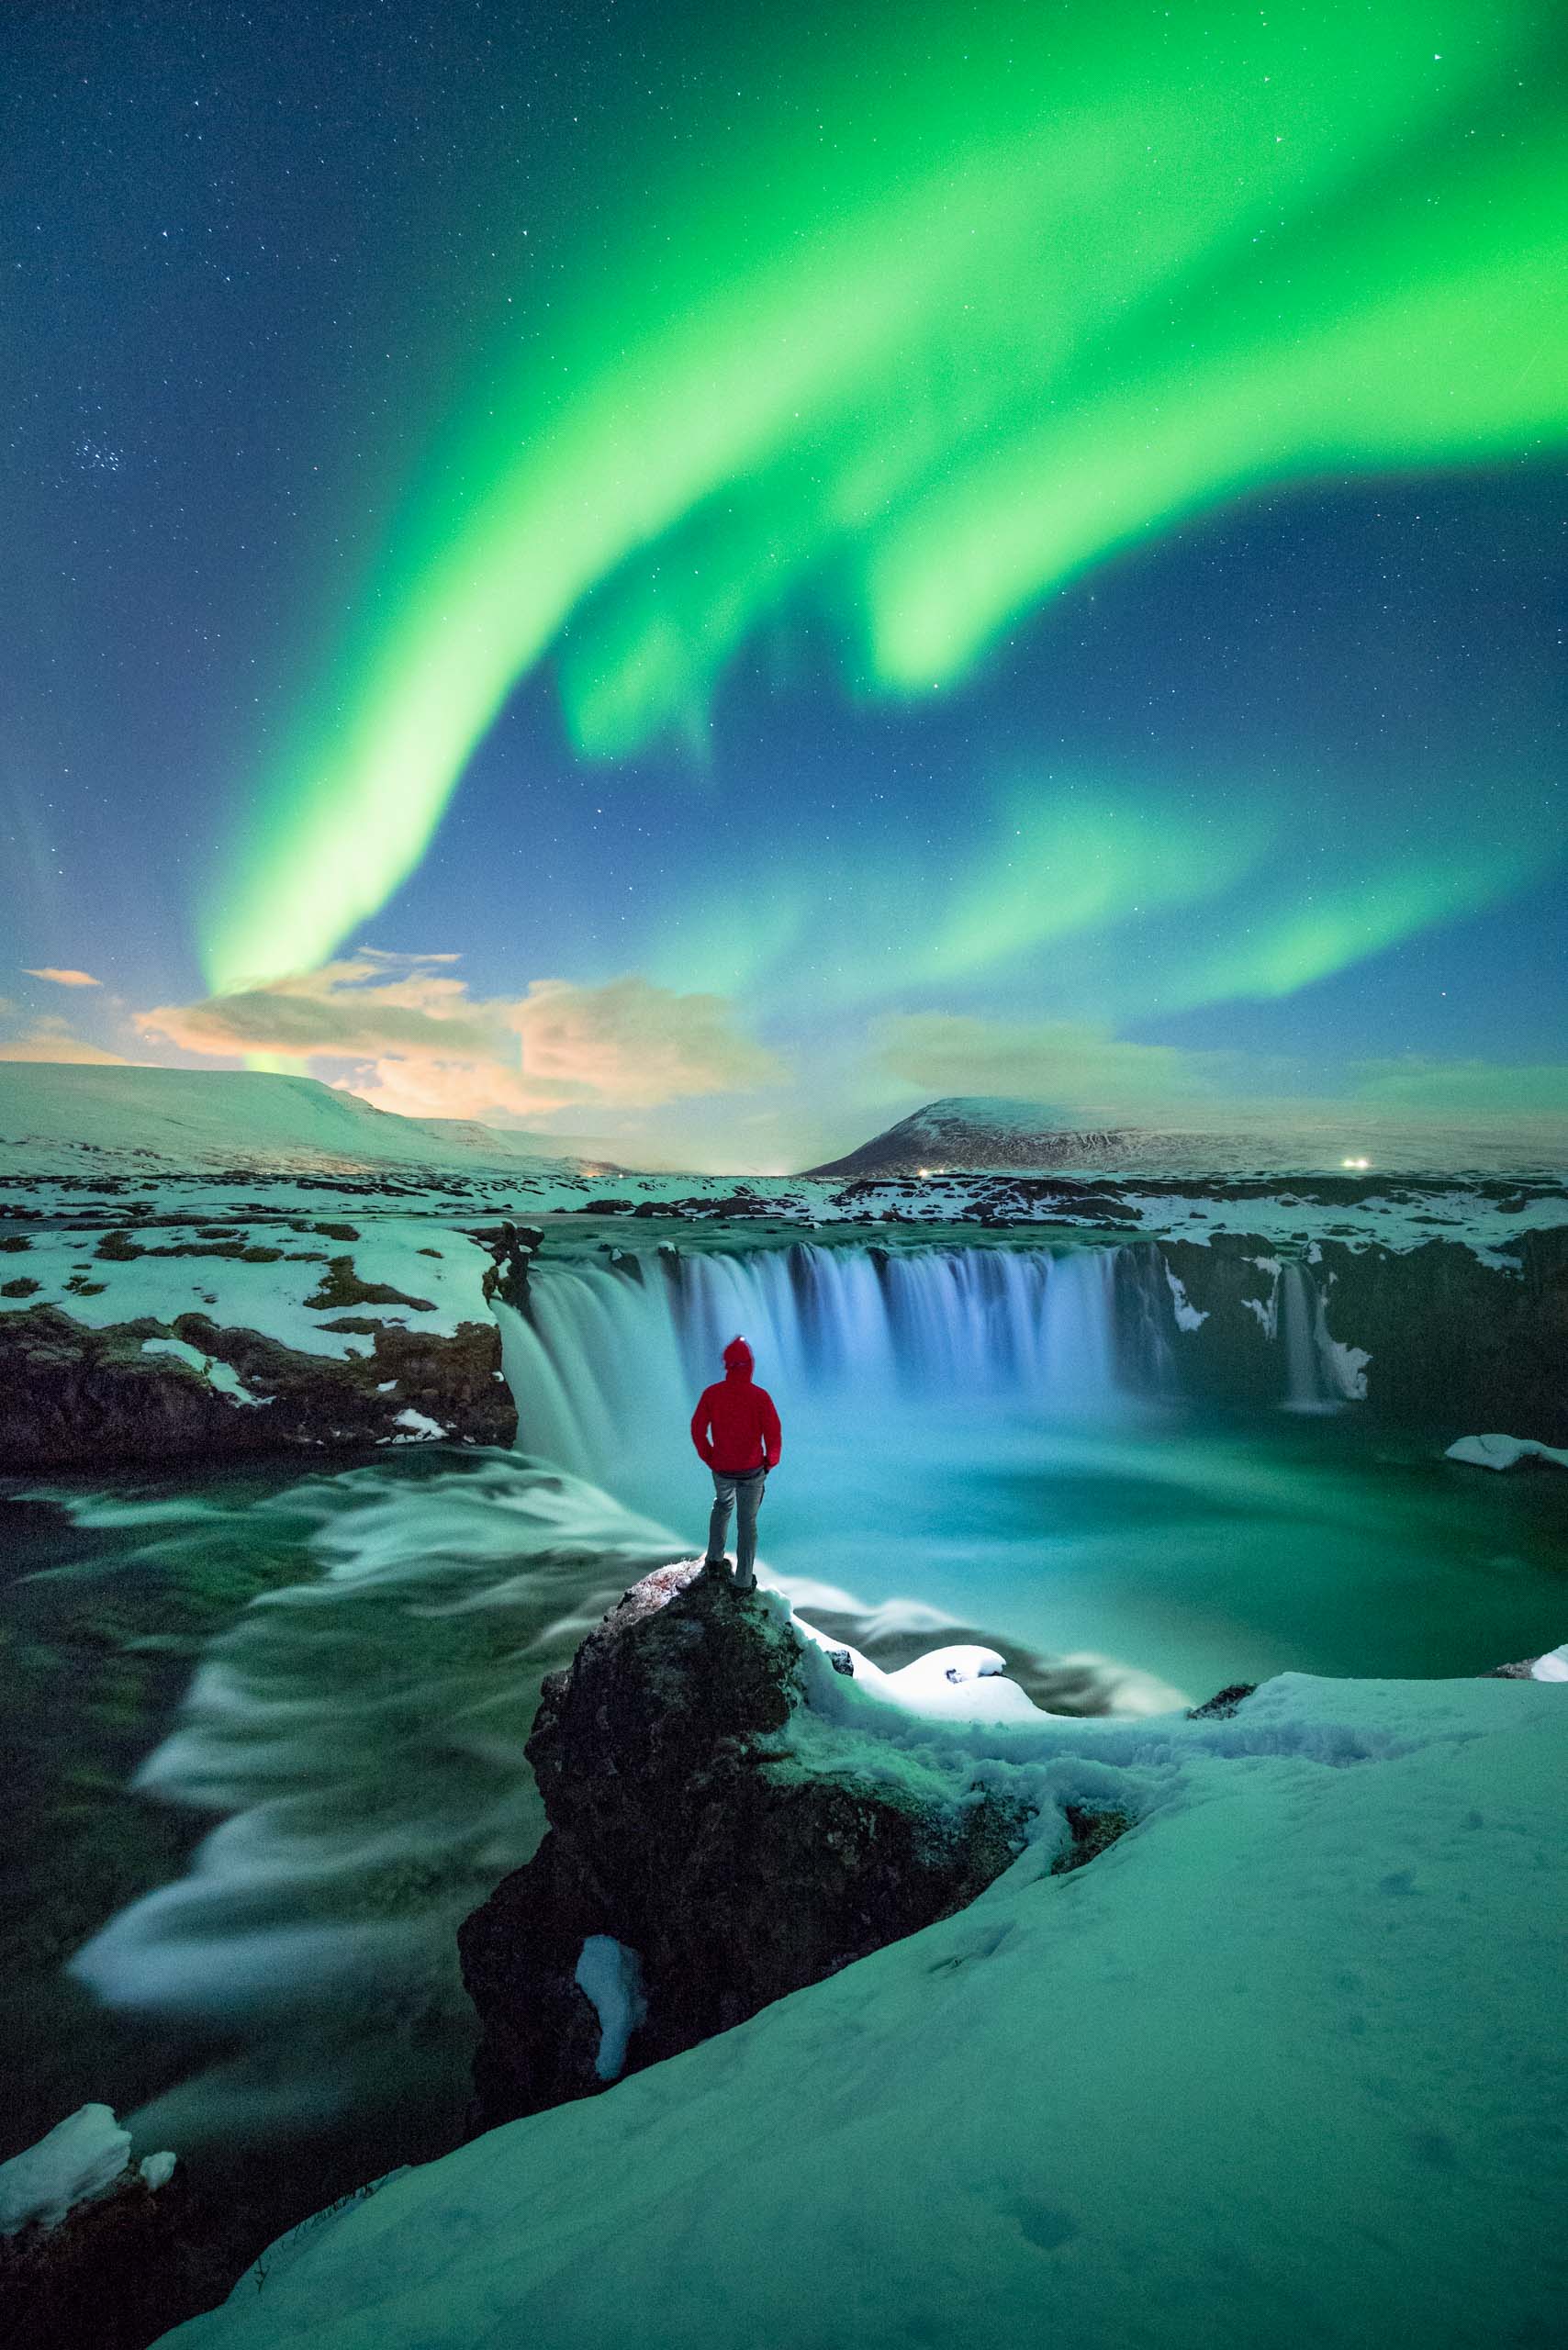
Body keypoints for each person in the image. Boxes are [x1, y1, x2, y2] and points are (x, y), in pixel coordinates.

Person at [689, 1335, 782, 1591]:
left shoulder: (712, 1394)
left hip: (721, 1469)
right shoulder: (760, 1397)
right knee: (747, 1523)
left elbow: (697, 1429)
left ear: (727, 1366)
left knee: (722, 1507)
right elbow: (773, 1435)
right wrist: (770, 1462)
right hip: (753, 1471)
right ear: (750, 1365)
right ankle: (742, 1581)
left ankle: (714, 1560)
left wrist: (709, 1456)